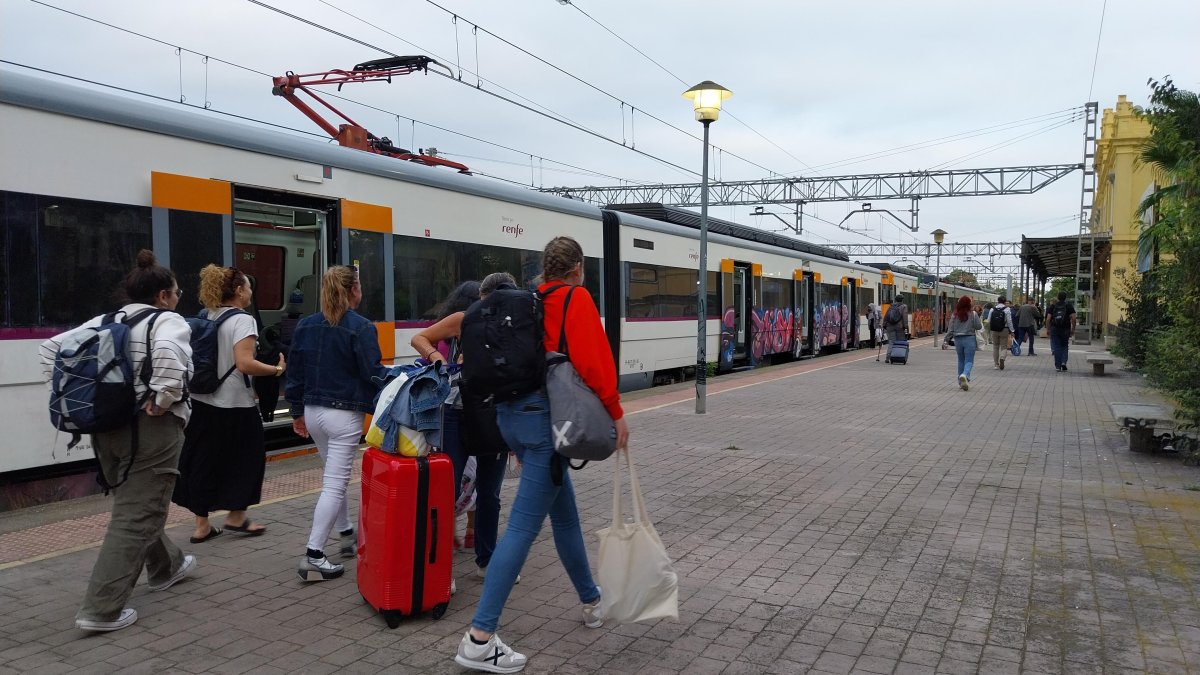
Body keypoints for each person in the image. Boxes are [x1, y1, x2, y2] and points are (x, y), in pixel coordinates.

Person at [454, 237, 630, 673]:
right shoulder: (574, 298)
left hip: (511, 419)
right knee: (521, 531)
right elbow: (595, 363)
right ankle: (480, 637)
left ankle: (591, 601)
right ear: (577, 270)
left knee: (565, 516)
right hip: (541, 425)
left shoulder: (529, 301)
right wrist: (616, 414)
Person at [39, 250, 196, 632]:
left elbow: (49, 351)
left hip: (105, 428)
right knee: (138, 512)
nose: (178, 298)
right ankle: (101, 610)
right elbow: (170, 360)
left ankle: (167, 566)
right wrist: (161, 399)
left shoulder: (104, 321)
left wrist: (75, 398)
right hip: (150, 428)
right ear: (163, 295)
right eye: (176, 292)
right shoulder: (168, 321)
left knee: (135, 502)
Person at [411, 275, 518, 581]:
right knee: (448, 489)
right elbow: (420, 338)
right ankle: (441, 566)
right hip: (456, 414)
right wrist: (438, 361)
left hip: (493, 413)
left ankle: (487, 559)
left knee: (490, 493)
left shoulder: (513, 326)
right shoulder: (463, 318)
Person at [286, 265, 389, 581]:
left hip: (314, 412)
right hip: (343, 417)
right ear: (354, 290)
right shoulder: (361, 327)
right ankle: (314, 555)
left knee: (333, 476)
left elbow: (295, 372)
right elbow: (371, 372)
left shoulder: (306, 325)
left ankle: (345, 531)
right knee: (334, 483)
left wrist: (296, 412)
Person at [173, 265, 286, 544]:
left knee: (202, 460)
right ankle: (236, 516)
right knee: (247, 460)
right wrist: (276, 371)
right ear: (238, 291)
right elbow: (244, 363)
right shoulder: (243, 320)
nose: (250, 292)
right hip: (235, 404)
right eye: (248, 287)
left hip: (201, 400)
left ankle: (202, 525)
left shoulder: (207, 315)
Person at [942, 296, 982, 391]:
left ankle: (960, 382)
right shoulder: (973, 313)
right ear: (969, 304)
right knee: (969, 360)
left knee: (960, 360)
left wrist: (946, 340)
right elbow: (979, 327)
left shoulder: (955, 314)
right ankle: (965, 375)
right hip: (970, 339)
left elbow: (950, 329)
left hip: (958, 340)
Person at [1046, 291, 1077, 372]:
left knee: (1057, 347)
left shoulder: (1053, 306)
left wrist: (1048, 329)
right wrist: (1073, 329)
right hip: (1065, 329)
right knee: (1064, 346)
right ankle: (1063, 362)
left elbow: (1048, 318)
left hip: (1055, 328)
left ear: (1057, 297)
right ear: (1065, 297)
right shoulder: (1069, 306)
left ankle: (1057, 366)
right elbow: (1074, 318)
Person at [987, 296, 1015, 370]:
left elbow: (989, 320)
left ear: (998, 301)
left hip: (994, 330)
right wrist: (1012, 331)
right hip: (1004, 330)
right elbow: (1009, 321)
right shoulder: (1007, 309)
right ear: (1005, 301)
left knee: (995, 347)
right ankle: (1002, 358)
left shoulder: (992, 309)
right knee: (1004, 346)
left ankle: (996, 364)